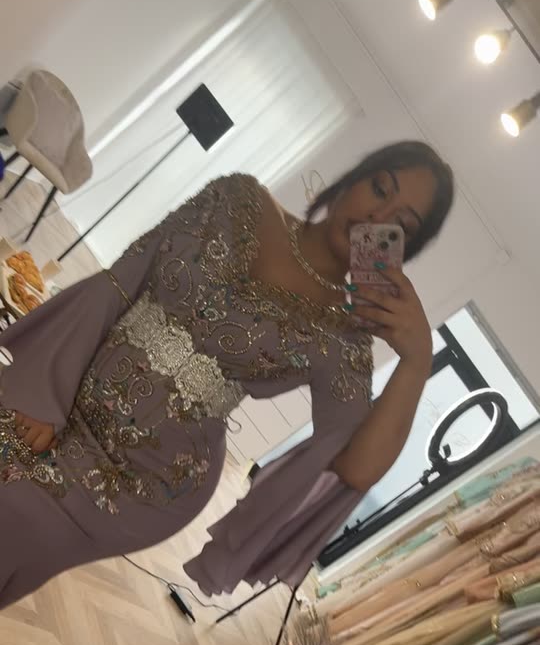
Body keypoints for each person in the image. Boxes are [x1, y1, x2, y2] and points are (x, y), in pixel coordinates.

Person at [0, 141, 454, 609]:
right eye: (379, 188)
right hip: (62, 395)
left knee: (16, 518)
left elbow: (356, 466)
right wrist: (46, 395)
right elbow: (120, 280)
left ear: (403, 250)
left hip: (143, 480)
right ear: (355, 177)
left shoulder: (345, 338)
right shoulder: (237, 200)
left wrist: (417, 360)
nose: (376, 216)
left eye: (400, 225)